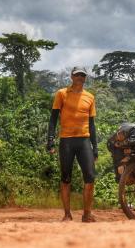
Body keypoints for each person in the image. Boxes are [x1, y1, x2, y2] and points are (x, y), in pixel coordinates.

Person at [46, 66, 98, 222]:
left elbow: (92, 123)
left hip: (84, 140)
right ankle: (67, 214)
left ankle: (87, 214)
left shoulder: (90, 97)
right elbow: (53, 118)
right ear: (72, 77)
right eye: (77, 75)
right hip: (66, 141)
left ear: (85, 78)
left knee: (90, 177)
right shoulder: (61, 94)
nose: (80, 78)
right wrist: (50, 140)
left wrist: (95, 147)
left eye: (82, 75)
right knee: (66, 177)